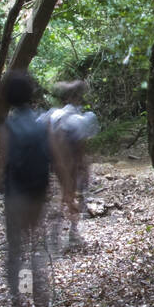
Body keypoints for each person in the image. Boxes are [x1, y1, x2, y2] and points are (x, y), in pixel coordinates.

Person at [0, 70, 54, 307]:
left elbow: (0, 164)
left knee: (16, 249)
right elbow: (55, 160)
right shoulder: (43, 124)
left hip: (15, 194)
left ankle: (18, 301)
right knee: (36, 247)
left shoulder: (6, 128)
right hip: (38, 192)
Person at [46, 80, 98, 252]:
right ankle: (73, 232)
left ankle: (55, 234)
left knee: (63, 193)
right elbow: (82, 148)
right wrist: (84, 167)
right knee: (76, 193)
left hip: (55, 162)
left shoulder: (52, 116)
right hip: (74, 161)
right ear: (77, 98)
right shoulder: (81, 119)